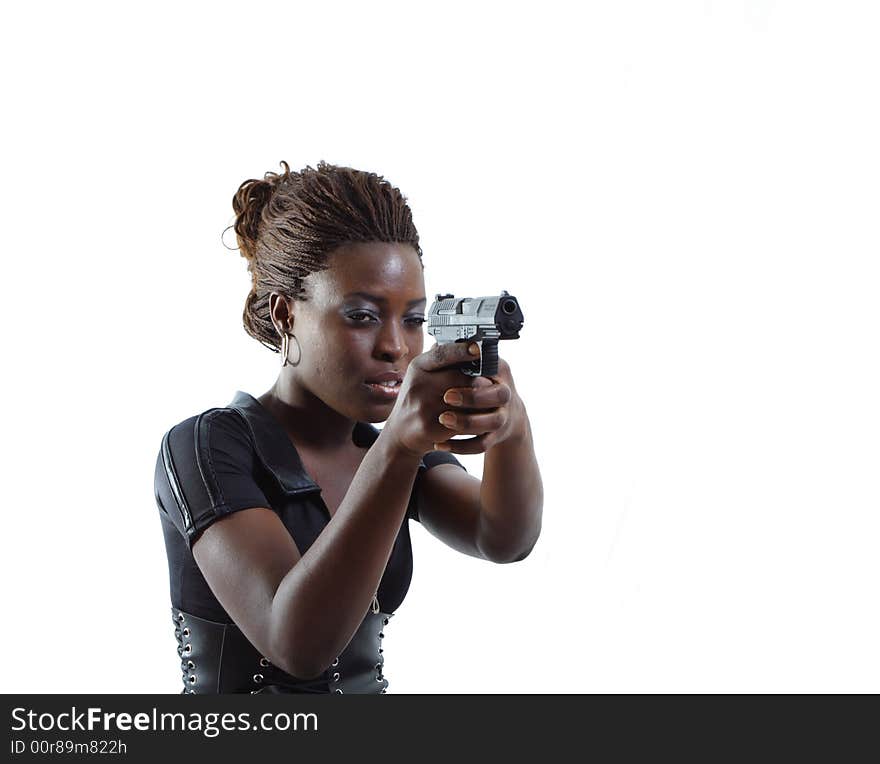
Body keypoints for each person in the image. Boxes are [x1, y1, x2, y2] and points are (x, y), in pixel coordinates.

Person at [153, 160, 543, 694]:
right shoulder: (206, 445)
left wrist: (512, 427)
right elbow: (297, 644)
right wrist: (400, 449)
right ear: (286, 316)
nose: (396, 346)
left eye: (412, 319)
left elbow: (502, 538)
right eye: (361, 316)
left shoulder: (386, 448)